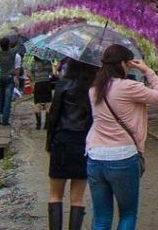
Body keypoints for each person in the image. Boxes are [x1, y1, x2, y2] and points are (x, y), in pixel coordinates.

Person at [86, 44, 158, 230]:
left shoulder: (94, 90)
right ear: (123, 63)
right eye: (128, 63)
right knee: (128, 214)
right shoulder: (129, 87)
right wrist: (147, 70)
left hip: (95, 156)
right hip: (122, 156)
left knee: (101, 217)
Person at [46, 59, 95, 230]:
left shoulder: (63, 84)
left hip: (62, 140)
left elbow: (53, 117)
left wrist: (49, 144)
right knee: (77, 199)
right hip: (83, 143)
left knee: (55, 195)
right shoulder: (93, 89)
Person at [0, 36, 21, 126]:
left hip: (0, 77)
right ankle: (5, 120)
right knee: (7, 99)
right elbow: (16, 69)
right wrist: (17, 79)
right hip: (9, 78)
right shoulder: (14, 54)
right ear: (9, 45)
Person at [30, 54, 57, 129]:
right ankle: (46, 124)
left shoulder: (33, 63)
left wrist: (35, 78)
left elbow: (31, 74)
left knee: (37, 103)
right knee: (48, 103)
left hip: (38, 85)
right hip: (46, 84)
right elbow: (51, 74)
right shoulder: (48, 62)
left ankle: (38, 124)